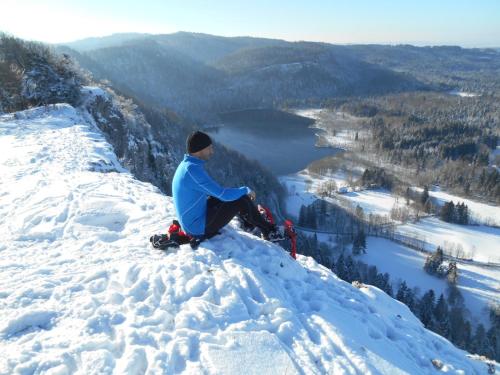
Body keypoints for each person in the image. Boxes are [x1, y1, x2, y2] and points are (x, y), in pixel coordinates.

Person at [172, 130, 283, 243]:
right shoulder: (192, 170)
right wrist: (245, 190)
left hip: (193, 219)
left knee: (235, 195)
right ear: (200, 149)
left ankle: (250, 222)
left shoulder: (187, 166)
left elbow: (218, 193)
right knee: (238, 199)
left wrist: (241, 192)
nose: (212, 151)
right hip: (197, 228)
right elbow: (223, 195)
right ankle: (270, 231)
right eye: (209, 148)